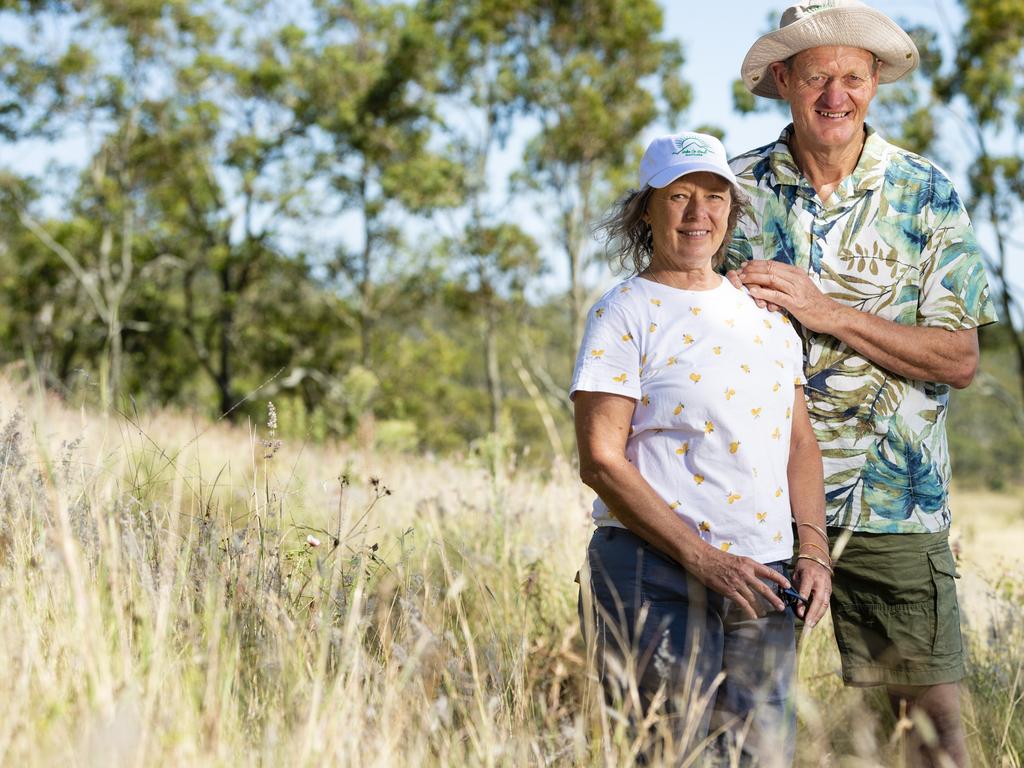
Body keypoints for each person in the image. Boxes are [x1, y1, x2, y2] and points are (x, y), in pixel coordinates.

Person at [727, 2, 999, 766]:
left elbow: (959, 359)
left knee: (927, 739)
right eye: (816, 76)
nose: (835, 95)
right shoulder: (731, 193)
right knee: (742, 730)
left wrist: (826, 312)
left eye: (852, 76)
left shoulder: (926, 193)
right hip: (755, 504)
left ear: (875, 80)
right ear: (783, 79)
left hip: (894, 506)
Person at [571, 130, 831, 766]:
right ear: (646, 211)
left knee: (763, 756)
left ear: (731, 211)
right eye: (679, 196)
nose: (698, 213)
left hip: (764, 579)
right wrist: (702, 558)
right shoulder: (625, 312)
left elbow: (799, 441)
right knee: (671, 752)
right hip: (652, 569)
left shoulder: (767, 317)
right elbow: (601, 460)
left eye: (714, 197)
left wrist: (816, 551)